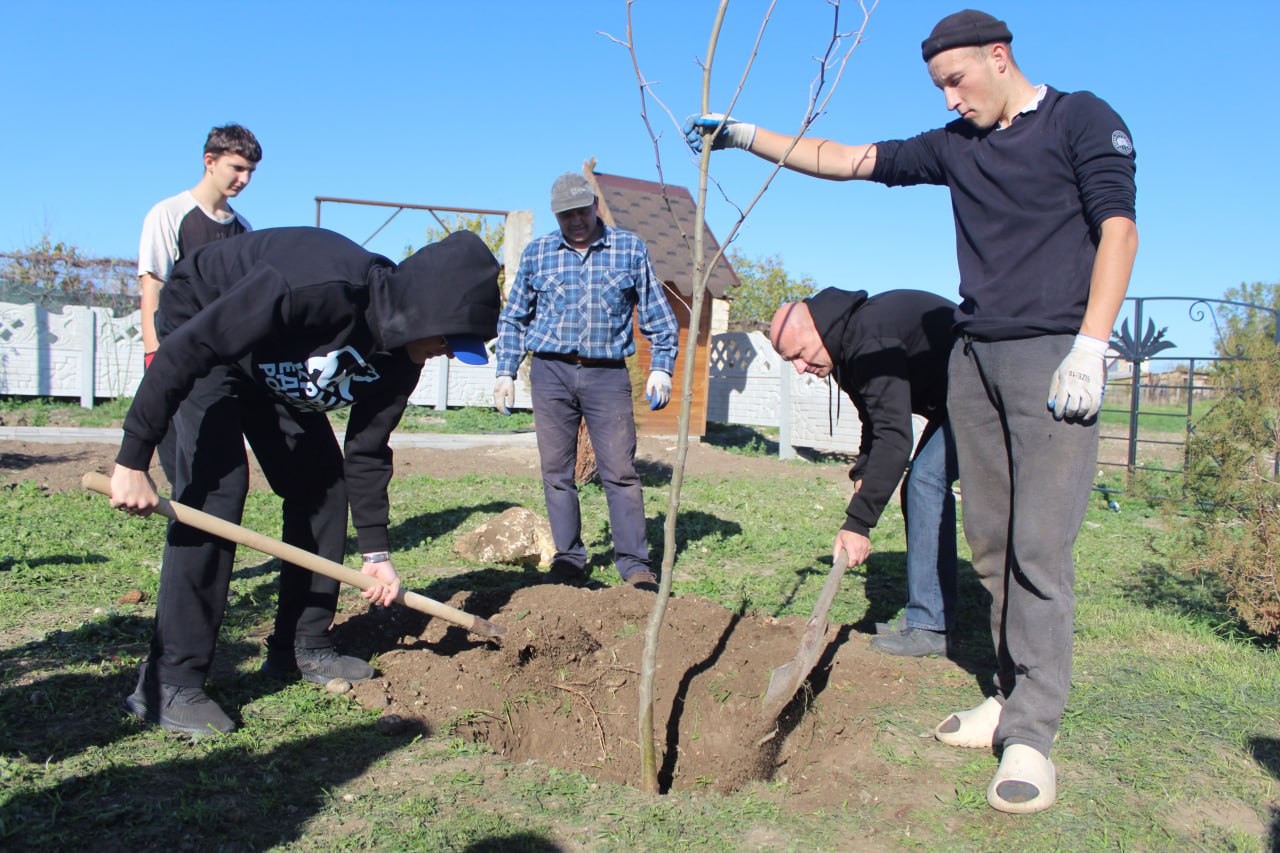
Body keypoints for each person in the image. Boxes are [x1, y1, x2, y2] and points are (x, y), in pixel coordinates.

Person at [690, 9, 1138, 814]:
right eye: (939, 87)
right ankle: (1008, 694)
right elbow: (849, 158)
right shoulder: (956, 147)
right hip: (975, 357)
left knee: (1041, 546)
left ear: (999, 59)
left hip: (1053, 356)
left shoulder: (1081, 118)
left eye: (956, 81)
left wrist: (1092, 344)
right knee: (995, 544)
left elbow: (1118, 230)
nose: (950, 99)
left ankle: (1034, 733)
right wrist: (746, 135)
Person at [109, 226, 501, 735]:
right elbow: (189, 347)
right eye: (450, 341)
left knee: (322, 485)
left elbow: (366, 448)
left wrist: (377, 556)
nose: (447, 354)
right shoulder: (317, 288)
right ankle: (168, 682)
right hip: (204, 323)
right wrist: (132, 459)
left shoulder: (403, 356)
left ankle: (303, 644)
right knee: (217, 490)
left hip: (269, 361)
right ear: (426, 311)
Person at [493, 172, 678, 591]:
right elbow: (515, 315)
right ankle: (569, 558)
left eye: (581, 211)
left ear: (594, 205)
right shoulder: (539, 253)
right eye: (565, 215)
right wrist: (505, 369)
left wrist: (662, 365)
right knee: (556, 472)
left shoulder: (628, 248)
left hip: (606, 374)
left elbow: (658, 313)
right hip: (550, 372)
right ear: (556, 216)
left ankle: (634, 565)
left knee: (620, 470)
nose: (575, 221)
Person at [769, 289, 959, 658]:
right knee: (920, 484)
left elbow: (895, 435)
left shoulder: (868, 338)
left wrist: (858, 524)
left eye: (799, 355)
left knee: (925, 481)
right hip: (951, 398)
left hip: (983, 388)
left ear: (816, 330)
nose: (799, 368)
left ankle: (932, 625)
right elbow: (873, 418)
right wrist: (865, 469)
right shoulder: (841, 350)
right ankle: (927, 616)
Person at [138, 124, 261, 371]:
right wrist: (154, 354)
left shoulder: (243, 228)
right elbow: (153, 286)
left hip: (223, 358)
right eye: (237, 168)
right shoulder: (169, 213)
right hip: (176, 352)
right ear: (210, 161)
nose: (244, 179)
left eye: (250, 171)